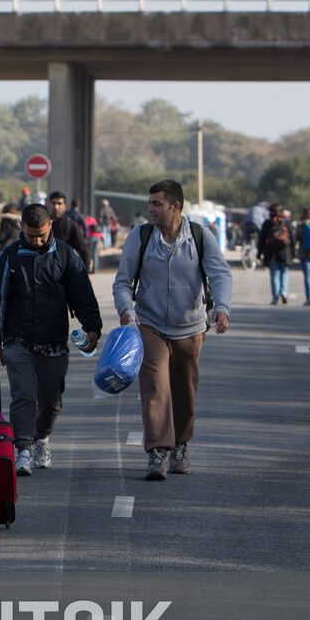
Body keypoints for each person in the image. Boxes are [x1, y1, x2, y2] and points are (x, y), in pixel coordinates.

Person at [112, 180, 233, 481]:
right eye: (150, 203)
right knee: (155, 386)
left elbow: (220, 274)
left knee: (185, 391)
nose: (150, 209)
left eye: (156, 204)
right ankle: (158, 451)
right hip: (150, 324)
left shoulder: (200, 236)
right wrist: (126, 311)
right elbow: (123, 282)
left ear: (175, 207)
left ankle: (181, 443)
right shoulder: (139, 237)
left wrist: (222, 308)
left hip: (191, 327)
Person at [0, 203, 102, 477]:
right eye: (30, 235)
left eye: (40, 234)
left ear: (50, 224)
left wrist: (93, 328)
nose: (36, 240)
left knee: (51, 401)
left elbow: (82, 294)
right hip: (18, 341)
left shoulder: (65, 254)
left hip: (54, 342)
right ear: (21, 229)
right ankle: (23, 449)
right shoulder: (9, 257)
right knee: (24, 395)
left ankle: (42, 438)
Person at [47, 191, 93, 272]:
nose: (56, 207)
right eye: (53, 203)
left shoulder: (71, 225)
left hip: (66, 271)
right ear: (49, 204)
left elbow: (83, 249)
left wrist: (86, 272)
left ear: (65, 206)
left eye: (59, 203)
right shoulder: (43, 225)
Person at [259, 202, 294, 304]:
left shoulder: (267, 223)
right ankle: (284, 292)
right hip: (285, 252)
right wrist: (293, 252)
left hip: (271, 252)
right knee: (284, 273)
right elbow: (292, 238)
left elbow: (261, 239)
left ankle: (275, 297)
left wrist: (259, 253)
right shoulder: (286, 223)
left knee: (274, 274)